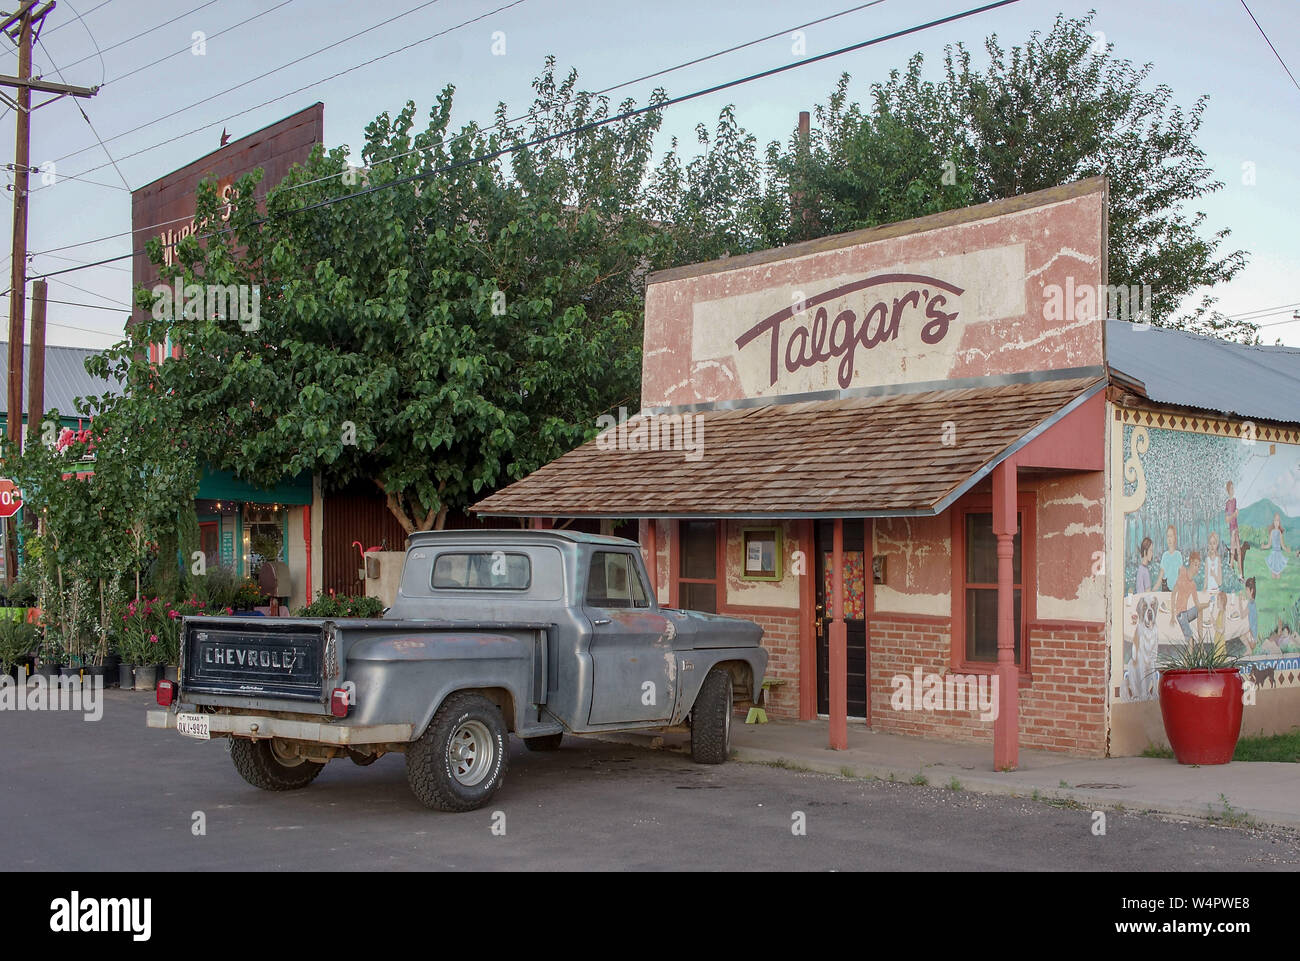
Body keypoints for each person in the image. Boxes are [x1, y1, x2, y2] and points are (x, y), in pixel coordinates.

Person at [1171, 551, 1210, 642]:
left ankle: (1201, 642)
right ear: (1191, 562)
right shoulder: (1182, 571)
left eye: (1199, 566)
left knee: (1199, 610)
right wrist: (1172, 615)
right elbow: (1173, 593)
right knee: (1191, 640)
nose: (1197, 568)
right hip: (1180, 615)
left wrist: (1208, 604)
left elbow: (1198, 605)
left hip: (1186, 614)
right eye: (1195, 565)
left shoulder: (1193, 585)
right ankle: (1192, 653)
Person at [1265, 512, 1293, 579]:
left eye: (1278, 520)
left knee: (1278, 575)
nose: (1276, 522)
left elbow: (1283, 546)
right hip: (1273, 555)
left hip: (1279, 555)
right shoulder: (1271, 532)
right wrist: (1263, 546)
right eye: (1275, 520)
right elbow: (1269, 545)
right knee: (1273, 574)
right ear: (1273, 521)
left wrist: (1287, 549)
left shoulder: (1280, 532)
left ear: (1279, 522)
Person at [1226, 481, 1244, 578]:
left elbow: (1233, 515)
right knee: (1233, 553)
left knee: (1239, 552)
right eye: (1231, 488)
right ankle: (1231, 574)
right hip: (1232, 529)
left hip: (1236, 528)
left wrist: (1236, 513)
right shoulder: (1228, 503)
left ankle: (1240, 575)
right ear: (1228, 490)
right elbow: (1227, 519)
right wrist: (1234, 514)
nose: (1233, 490)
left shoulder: (1234, 501)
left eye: (1233, 488)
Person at [1159, 525, 1183, 592]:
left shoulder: (1178, 555)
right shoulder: (1164, 555)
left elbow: (1181, 574)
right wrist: (1154, 588)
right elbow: (1161, 575)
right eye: (1168, 536)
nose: (1169, 539)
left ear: (1175, 538)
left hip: (1176, 589)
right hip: (1165, 589)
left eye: (1171, 536)